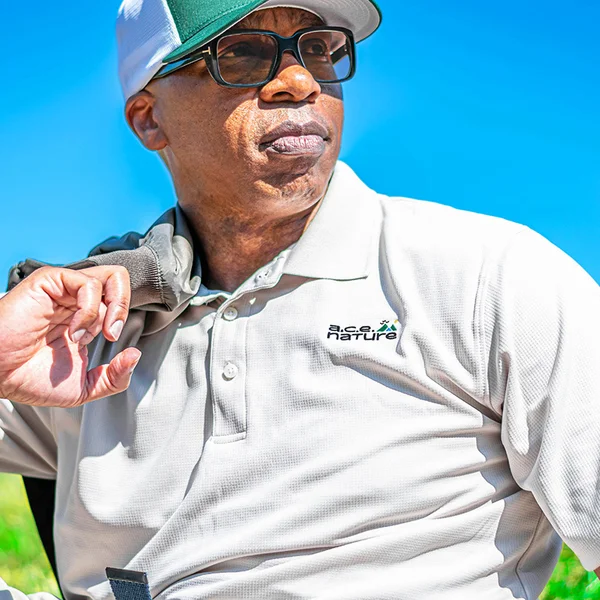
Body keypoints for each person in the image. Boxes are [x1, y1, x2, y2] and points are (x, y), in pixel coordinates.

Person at [1, 0, 599, 598]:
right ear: (149, 119)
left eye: (318, 49)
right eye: (241, 53)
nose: (299, 81)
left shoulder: (490, 280)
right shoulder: (83, 327)